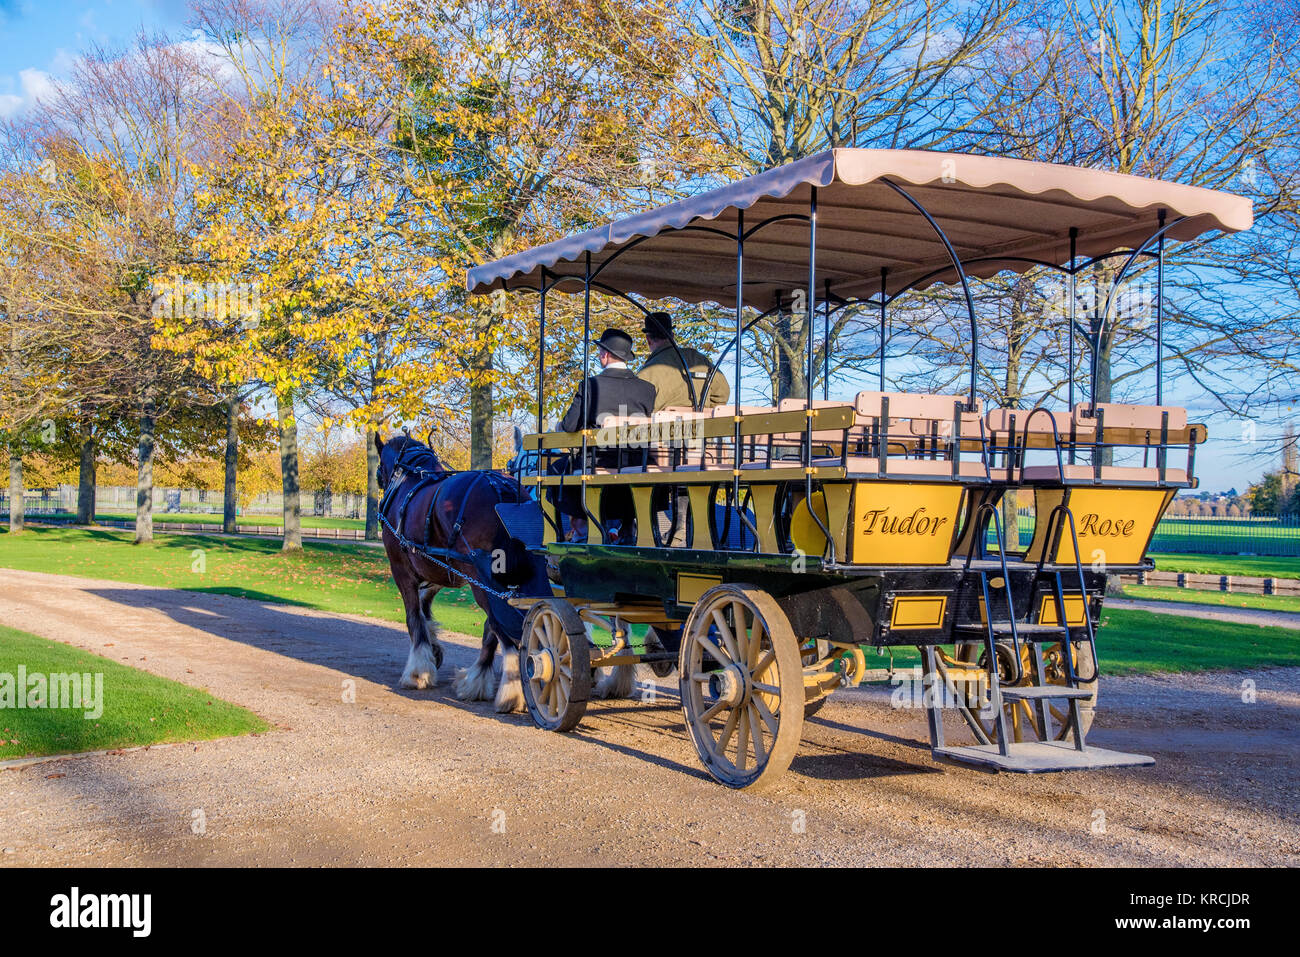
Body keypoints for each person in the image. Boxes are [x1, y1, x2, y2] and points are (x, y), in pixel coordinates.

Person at [551, 328, 655, 541]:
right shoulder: (647, 389)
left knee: (554, 471)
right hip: (638, 462)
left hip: (598, 461)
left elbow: (570, 426)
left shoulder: (591, 385)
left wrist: (558, 427)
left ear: (604, 354)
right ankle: (627, 528)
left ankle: (580, 530)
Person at [636, 311, 730, 411]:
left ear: (648, 340)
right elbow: (722, 394)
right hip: (704, 424)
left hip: (664, 426)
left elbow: (638, 409)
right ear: (672, 335)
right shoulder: (698, 359)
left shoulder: (646, 373)